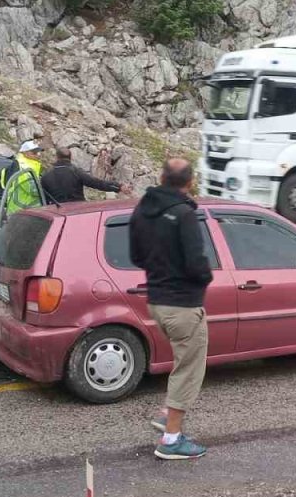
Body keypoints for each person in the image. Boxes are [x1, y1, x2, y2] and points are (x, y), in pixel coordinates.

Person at [129, 158, 212, 460]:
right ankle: (171, 439)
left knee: (181, 361)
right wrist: (204, 277)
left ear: (161, 177)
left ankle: (167, 416)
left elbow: (136, 256)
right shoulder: (184, 215)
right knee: (189, 368)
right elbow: (195, 262)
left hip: (156, 301)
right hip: (183, 304)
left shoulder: (142, 209)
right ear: (190, 182)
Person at [40, 149, 132, 203]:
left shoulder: (46, 176)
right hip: (78, 209)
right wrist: (118, 187)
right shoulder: (77, 172)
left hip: (57, 211)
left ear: (57, 157)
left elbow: (44, 197)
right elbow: (97, 183)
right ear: (71, 157)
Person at [0, 140, 45, 214]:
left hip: (26, 207)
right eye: (34, 152)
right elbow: (31, 188)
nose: (38, 154)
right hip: (20, 208)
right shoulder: (21, 165)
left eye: (39, 152)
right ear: (25, 152)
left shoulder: (32, 165)